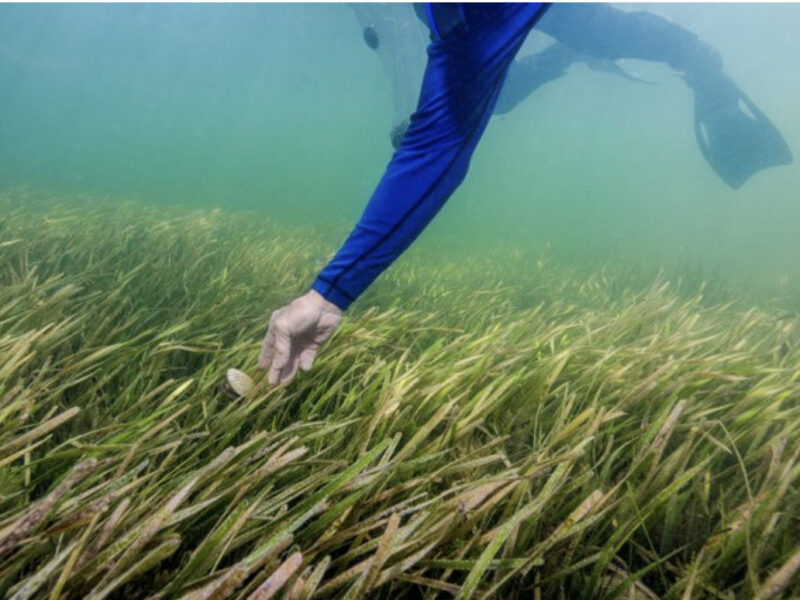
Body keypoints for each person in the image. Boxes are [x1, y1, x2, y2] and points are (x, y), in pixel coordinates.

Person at [258, 3, 792, 386]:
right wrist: (329, 291)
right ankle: (679, 56)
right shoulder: (458, 16)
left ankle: (694, 57)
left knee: (588, 35)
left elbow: (438, 139)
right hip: (498, 22)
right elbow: (437, 140)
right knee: (561, 48)